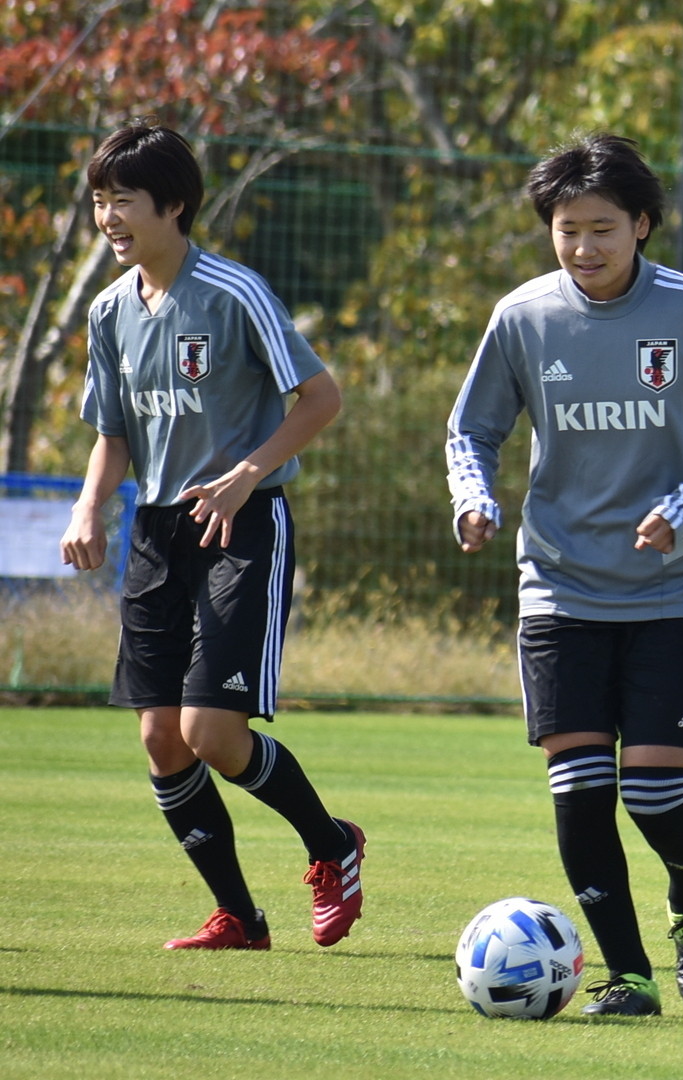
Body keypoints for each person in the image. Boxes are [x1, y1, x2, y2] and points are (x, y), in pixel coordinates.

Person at [445, 134, 683, 1017]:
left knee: (659, 793)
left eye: (601, 228)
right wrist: (473, 497)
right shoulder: (523, 317)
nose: (583, 247)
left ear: (641, 224)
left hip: (668, 591)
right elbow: (470, 430)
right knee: (582, 793)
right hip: (557, 585)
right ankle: (627, 977)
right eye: (566, 229)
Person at [60, 120, 362, 951]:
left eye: (123, 201)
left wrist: (249, 472)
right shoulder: (110, 310)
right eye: (99, 202)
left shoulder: (233, 293)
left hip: (239, 525)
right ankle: (239, 916)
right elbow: (113, 431)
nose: (108, 217)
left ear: (175, 206)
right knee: (161, 737)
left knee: (212, 734)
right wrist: (89, 507)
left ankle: (334, 847)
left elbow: (321, 397)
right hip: (156, 532)